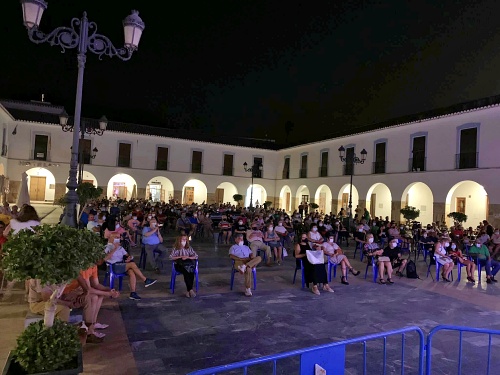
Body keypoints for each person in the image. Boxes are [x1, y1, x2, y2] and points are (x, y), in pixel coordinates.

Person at [105, 233, 157, 300]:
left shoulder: (121, 248)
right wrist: (114, 249)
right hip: (113, 266)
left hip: (122, 265)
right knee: (132, 264)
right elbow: (105, 259)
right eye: (115, 237)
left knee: (131, 271)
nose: (117, 239)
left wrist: (129, 258)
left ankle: (133, 293)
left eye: (118, 237)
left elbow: (127, 256)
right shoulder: (107, 247)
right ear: (110, 238)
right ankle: (145, 280)